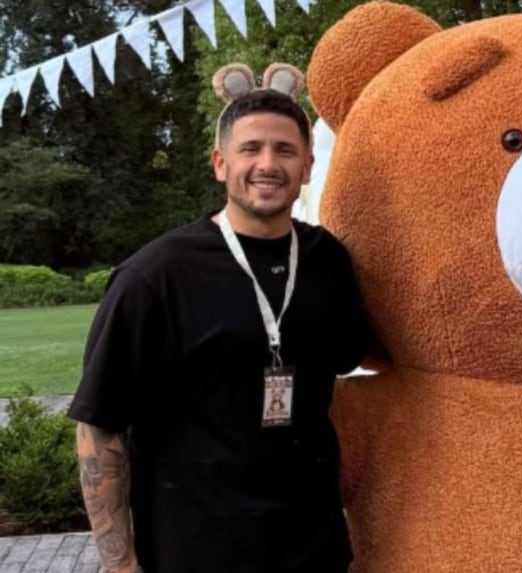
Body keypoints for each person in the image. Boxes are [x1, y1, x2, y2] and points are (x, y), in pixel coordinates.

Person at [68, 64, 374, 573]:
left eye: (285, 150)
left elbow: (357, 360)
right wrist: (119, 564)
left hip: (313, 547)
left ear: (307, 166)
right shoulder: (156, 275)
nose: (267, 164)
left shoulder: (327, 260)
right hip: (194, 550)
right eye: (250, 149)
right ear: (219, 163)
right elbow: (100, 428)